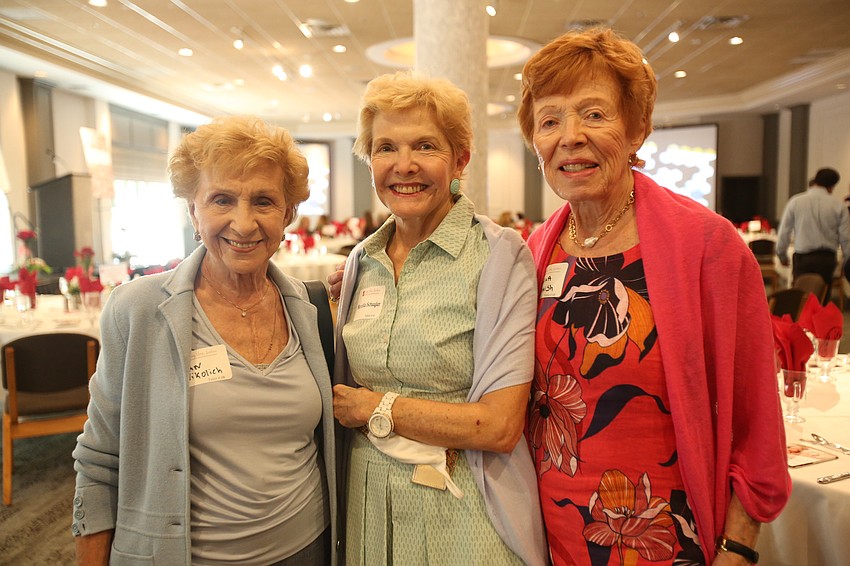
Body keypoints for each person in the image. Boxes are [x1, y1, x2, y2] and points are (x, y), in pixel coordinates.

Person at [516, 28, 790, 565]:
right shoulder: (536, 250)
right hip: (554, 533)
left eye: (594, 114)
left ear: (637, 128)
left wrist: (738, 548)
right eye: (550, 121)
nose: (570, 136)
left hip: (667, 535)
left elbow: (757, 422)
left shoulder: (708, 246)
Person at [72, 116, 337, 565]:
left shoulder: (310, 310)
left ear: (288, 215)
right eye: (221, 199)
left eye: (264, 201)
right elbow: (99, 461)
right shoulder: (135, 310)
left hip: (308, 546)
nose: (244, 222)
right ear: (193, 211)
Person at [331, 71, 547, 565]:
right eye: (385, 148)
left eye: (425, 146)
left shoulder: (499, 256)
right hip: (368, 510)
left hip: (465, 510)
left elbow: (497, 426)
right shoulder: (361, 261)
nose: (403, 166)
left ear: (460, 159)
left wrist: (374, 408)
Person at [777, 167, 850, 301]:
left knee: (800, 297)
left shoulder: (795, 201)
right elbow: (846, 238)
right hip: (826, 258)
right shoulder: (839, 206)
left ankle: (802, 321)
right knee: (821, 298)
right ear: (832, 186)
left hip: (803, 258)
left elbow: (784, 231)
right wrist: (847, 262)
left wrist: (782, 255)